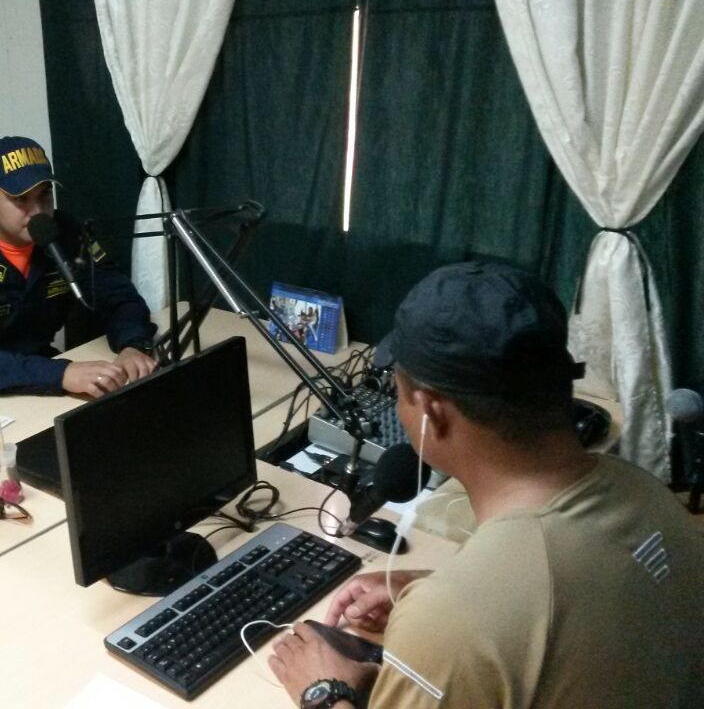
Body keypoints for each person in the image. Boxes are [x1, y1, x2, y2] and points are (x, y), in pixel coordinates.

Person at [269, 262, 703, 708]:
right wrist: (432, 587)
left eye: (398, 391)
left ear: (431, 412)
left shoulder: (456, 622)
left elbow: (506, 614)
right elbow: (585, 600)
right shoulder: (648, 492)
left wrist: (323, 690)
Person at [0, 136, 157, 400]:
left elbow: (117, 294)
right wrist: (61, 374)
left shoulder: (65, 233)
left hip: (29, 369)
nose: (37, 211)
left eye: (44, 194)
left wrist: (133, 344)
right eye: (21, 199)